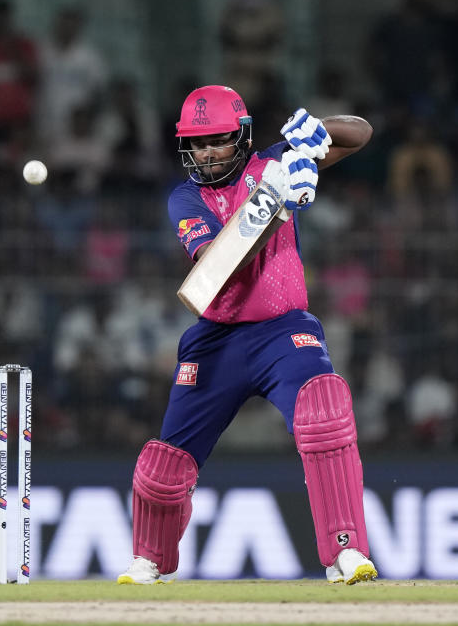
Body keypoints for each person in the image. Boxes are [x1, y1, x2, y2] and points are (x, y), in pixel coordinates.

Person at [116, 85, 377, 585]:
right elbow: (217, 270)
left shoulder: (274, 163)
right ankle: (150, 561)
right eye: (198, 143)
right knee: (164, 465)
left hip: (284, 331)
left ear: (241, 137)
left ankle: (346, 552)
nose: (209, 151)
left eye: (218, 139)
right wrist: (273, 202)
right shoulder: (185, 199)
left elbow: (360, 135)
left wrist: (317, 129)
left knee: (324, 409)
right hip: (218, 340)